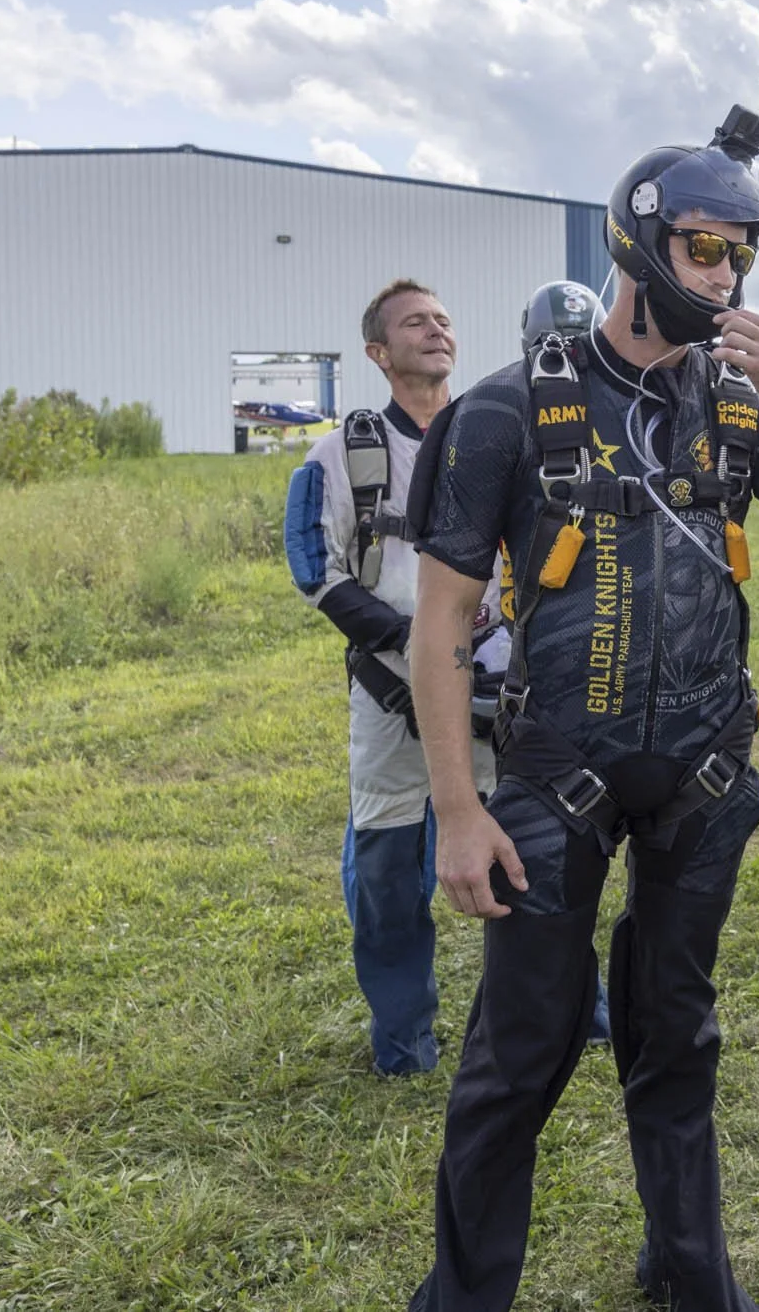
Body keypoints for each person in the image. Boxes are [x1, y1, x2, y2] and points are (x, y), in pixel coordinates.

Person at [406, 106, 759, 1312]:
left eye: (738, 255)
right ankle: (464, 1296)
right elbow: (442, 626)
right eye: (703, 250)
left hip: (704, 781)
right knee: (522, 1054)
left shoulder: (743, 401)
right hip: (554, 779)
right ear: (640, 248)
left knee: (678, 1037)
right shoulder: (507, 408)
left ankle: (690, 1274)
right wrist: (458, 810)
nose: (721, 276)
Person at [284, 278, 500, 1077]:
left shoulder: (496, 433)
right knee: (384, 875)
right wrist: (409, 645)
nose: (436, 329)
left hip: (500, 689)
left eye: (444, 318)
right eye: (415, 322)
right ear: (378, 351)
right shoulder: (338, 455)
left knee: (541, 854)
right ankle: (405, 1041)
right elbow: (315, 564)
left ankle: (572, 1009)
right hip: (389, 695)